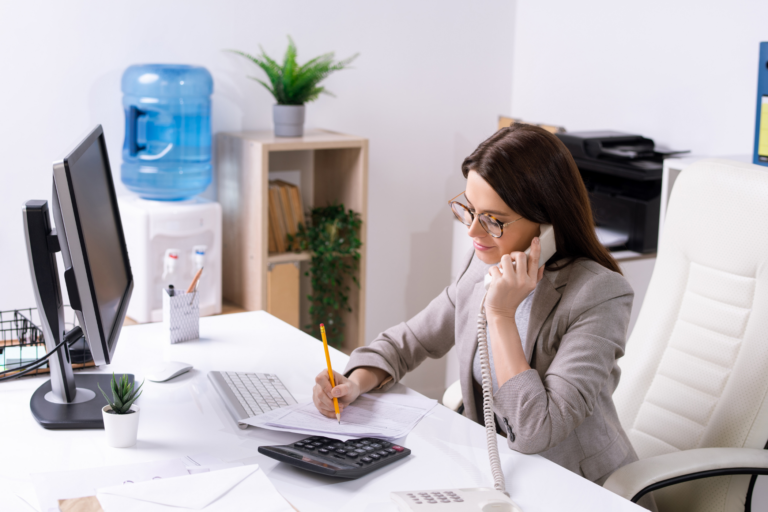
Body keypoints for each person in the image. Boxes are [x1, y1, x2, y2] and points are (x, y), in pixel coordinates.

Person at [312, 124, 654, 508]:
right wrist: (355, 383)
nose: (474, 231)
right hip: (498, 475)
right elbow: (409, 341)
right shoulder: (482, 264)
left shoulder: (598, 295)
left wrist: (501, 314)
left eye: (493, 219)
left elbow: (538, 430)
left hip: (576, 488)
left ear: (546, 223)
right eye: (470, 210)